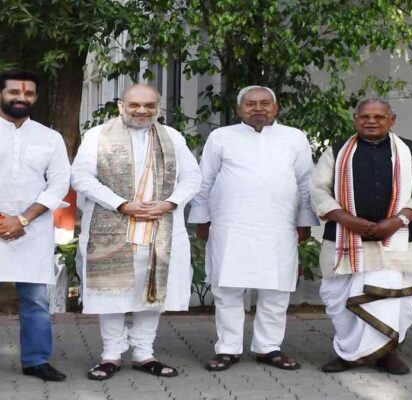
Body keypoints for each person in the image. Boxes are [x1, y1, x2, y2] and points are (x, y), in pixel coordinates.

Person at [71, 84, 202, 380]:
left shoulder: (173, 137)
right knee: (111, 291)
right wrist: (121, 205)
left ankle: (144, 353)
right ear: (121, 106)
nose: (142, 111)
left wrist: (170, 203)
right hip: (112, 225)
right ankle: (110, 356)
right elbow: (80, 177)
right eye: (134, 105)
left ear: (158, 108)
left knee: (151, 290)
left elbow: (193, 177)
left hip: (160, 225)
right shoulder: (97, 136)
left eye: (149, 106)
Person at [188, 85, 319, 371]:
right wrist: (201, 219)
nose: (258, 108)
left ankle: (268, 347)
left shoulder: (294, 138)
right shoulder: (221, 137)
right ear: (239, 109)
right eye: (250, 104)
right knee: (228, 289)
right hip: (230, 226)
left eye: (264, 103)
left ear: (276, 107)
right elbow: (204, 180)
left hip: (279, 226)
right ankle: (228, 348)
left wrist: (305, 221)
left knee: (276, 290)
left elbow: (305, 183)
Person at [311, 98, 412, 374]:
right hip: (345, 236)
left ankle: (387, 351)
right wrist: (348, 220)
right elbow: (318, 189)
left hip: (401, 236)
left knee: (397, 298)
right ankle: (349, 352)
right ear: (355, 119)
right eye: (365, 116)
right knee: (338, 295)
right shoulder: (336, 151)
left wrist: (398, 220)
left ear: (392, 120)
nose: (371, 121)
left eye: (379, 117)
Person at [0, 70, 70, 381]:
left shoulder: (49, 138)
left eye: (28, 94)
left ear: (36, 98)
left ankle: (36, 360)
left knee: (36, 300)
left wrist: (22, 219)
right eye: (14, 92)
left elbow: (59, 184)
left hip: (33, 229)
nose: (21, 98)